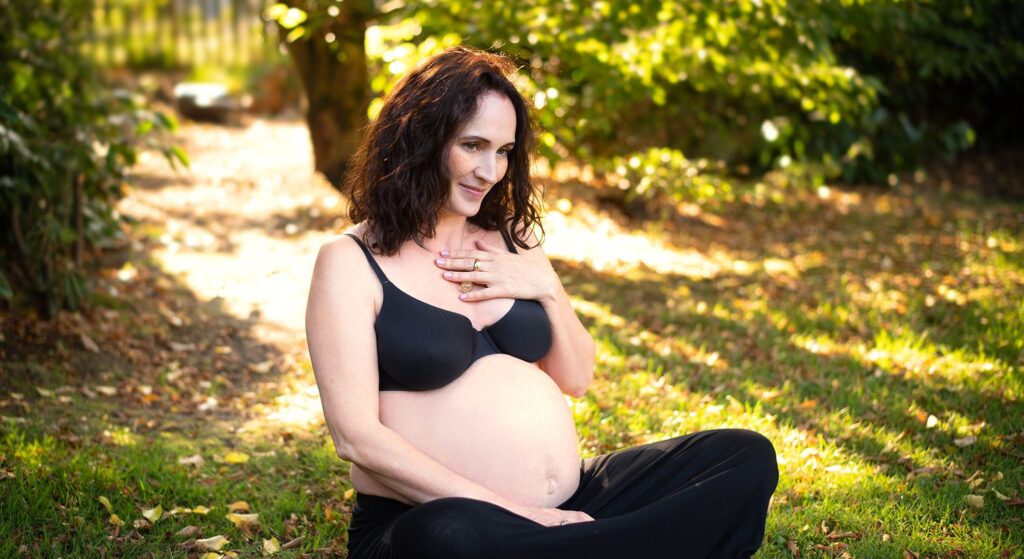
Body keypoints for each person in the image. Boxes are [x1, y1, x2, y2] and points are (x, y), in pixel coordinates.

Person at [304, 46, 778, 559]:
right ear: (420, 140)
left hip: (570, 505)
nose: (490, 170)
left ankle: (582, 545)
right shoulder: (352, 262)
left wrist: (545, 284)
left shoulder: (512, 238)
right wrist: (518, 515)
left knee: (743, 457)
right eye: (473, 145)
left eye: (505, 151)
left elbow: (575, 379)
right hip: (441, 517)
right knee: (449, 538)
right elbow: (356, 439)